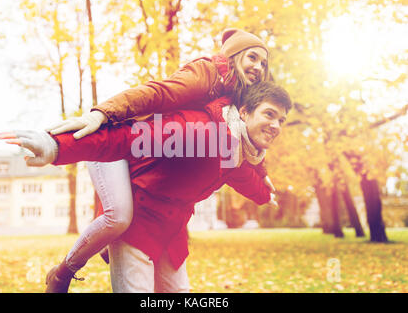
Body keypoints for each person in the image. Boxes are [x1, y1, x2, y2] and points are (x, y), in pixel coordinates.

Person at [24, 28, 273, 292]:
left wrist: (262, 170)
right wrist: (101, 115)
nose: (258, 66)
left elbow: (248, 134)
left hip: (145, 158)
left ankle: (114, 246)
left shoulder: (239, 98)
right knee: (119, 216)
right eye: (252, 57)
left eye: (263, 63)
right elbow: (158, 93)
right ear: (233, 56)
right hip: (119, 139)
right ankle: (63, 272)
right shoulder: (207, 74)